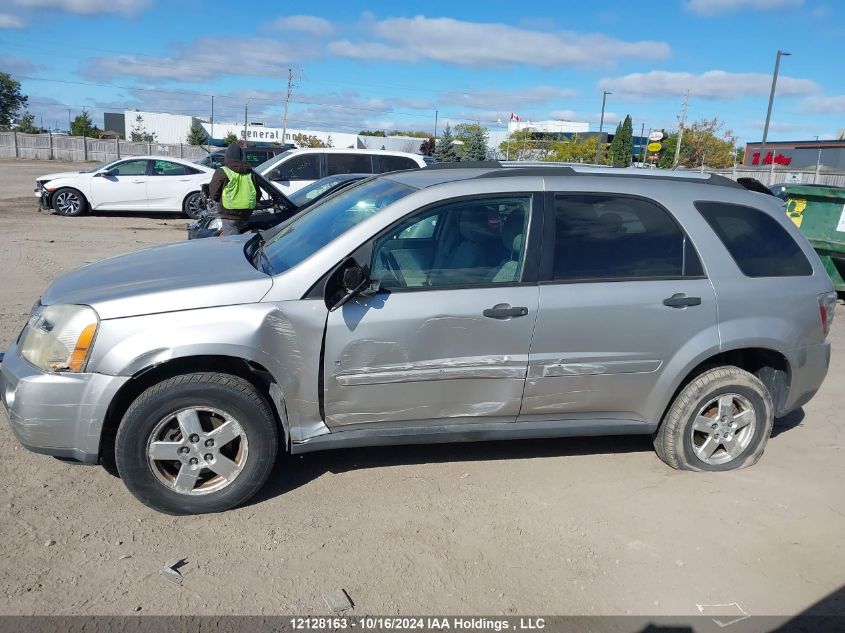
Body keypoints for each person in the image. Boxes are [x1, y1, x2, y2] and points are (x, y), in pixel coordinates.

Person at [208, 143, 261, 236]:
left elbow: (214, 194)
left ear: (227, 156)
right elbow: (258, 194)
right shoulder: (250, 172)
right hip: (246, 214)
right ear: (241, 157)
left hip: (228, 214)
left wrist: (219, 200)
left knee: (232, 243)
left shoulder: (222, 171)